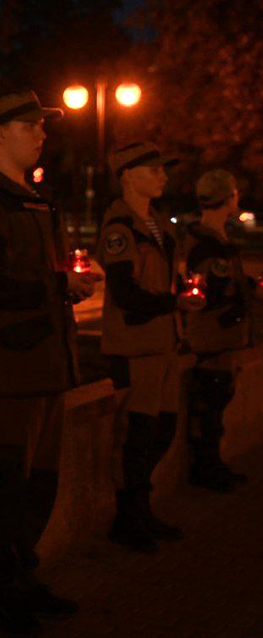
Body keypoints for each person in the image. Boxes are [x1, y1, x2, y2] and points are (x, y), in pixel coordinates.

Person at [0, 90, 99, 634]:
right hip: (6, 374)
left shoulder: (30, 200)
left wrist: (61, 286)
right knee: (3, 489)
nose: (42, 135)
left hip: (44, 370)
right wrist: (59, 283)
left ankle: (22, 577)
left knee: (38, 487)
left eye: (42, 126)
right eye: (29, 126)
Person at [98, 141, 203, 554]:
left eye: (163, 169)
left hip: (162, 344)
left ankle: (141, 507)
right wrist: (174, 303)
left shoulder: (159, 222)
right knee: (135, 437)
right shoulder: (120, 227)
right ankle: (127, 518)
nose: (163, 176)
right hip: (134, 346)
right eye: (153, 169)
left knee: (161, 432)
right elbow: (125, 293)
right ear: (127, 177)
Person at [182, 169, 251, 492]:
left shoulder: (213, 239)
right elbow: (211, 291)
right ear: (228, 197)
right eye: (235, 193)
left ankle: (213, 465)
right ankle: (206, 469)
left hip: (220, 338)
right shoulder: (207, 243)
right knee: (208, 407)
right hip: (211, 338)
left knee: (217, 404)